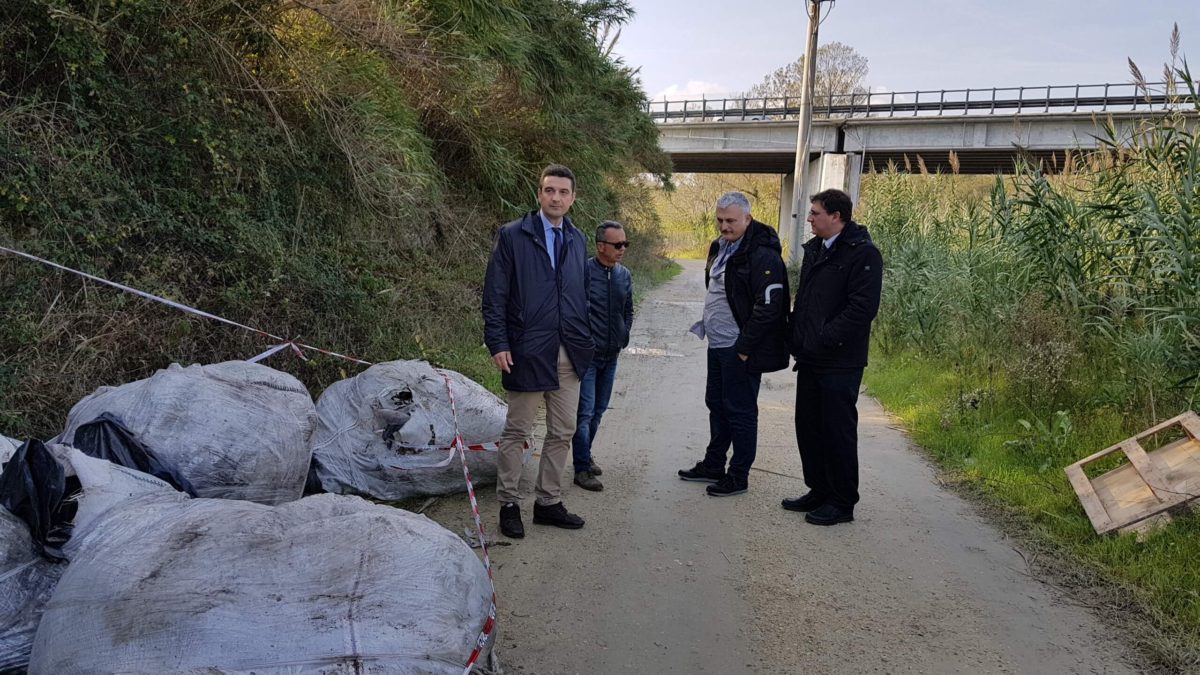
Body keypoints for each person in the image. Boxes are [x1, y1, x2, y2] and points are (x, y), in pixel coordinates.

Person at [482, 164, 594, 538]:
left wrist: (585, 340)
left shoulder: (577, 240)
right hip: (526, 350)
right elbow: (495, 295)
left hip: (569, 353)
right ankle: (509, 504)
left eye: (563, 192)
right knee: (517, 431)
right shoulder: (514, 235)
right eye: (550, 191)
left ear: (573, 197)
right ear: (539, 194)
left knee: (562, 431)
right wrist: (498, 342)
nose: (556, 197)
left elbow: (580, 295)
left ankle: (548, 502)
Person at [678, 192, 790, 496]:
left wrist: (744, 346)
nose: (724, 226)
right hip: (717, 345)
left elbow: (769, 307)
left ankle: (738, 475)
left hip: (738, 349)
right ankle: (714, 464)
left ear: (748, 219)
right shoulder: (720, 247)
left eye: (731, 220)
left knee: (740, 411)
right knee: (716, 404)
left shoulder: (763, 254)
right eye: (720, 220)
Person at [783, 188, 883, 526]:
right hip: (811, 357)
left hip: (840, 361)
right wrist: (797, 336)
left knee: (837, 430)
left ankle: (841, 501)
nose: (809, 218)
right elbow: (808, 301)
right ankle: (819, 489)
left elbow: (862, 309)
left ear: (836, 217)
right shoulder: (816, 250)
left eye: (815, 213)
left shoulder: (863, 254)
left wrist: (823, 339)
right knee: (808, 427)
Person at [572, 221, 634, 492]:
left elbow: (628, 310)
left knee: (598, 411)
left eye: (625, 244)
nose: (622, 249)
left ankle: (585, 454)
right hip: (588, 356)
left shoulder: (624, 275)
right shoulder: (583, 272)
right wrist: (583, 343)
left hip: (612, 354)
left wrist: (624, 335)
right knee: (584, 413)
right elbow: (573, 311)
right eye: (617, 244)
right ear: (600, 246)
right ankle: (581, 468)